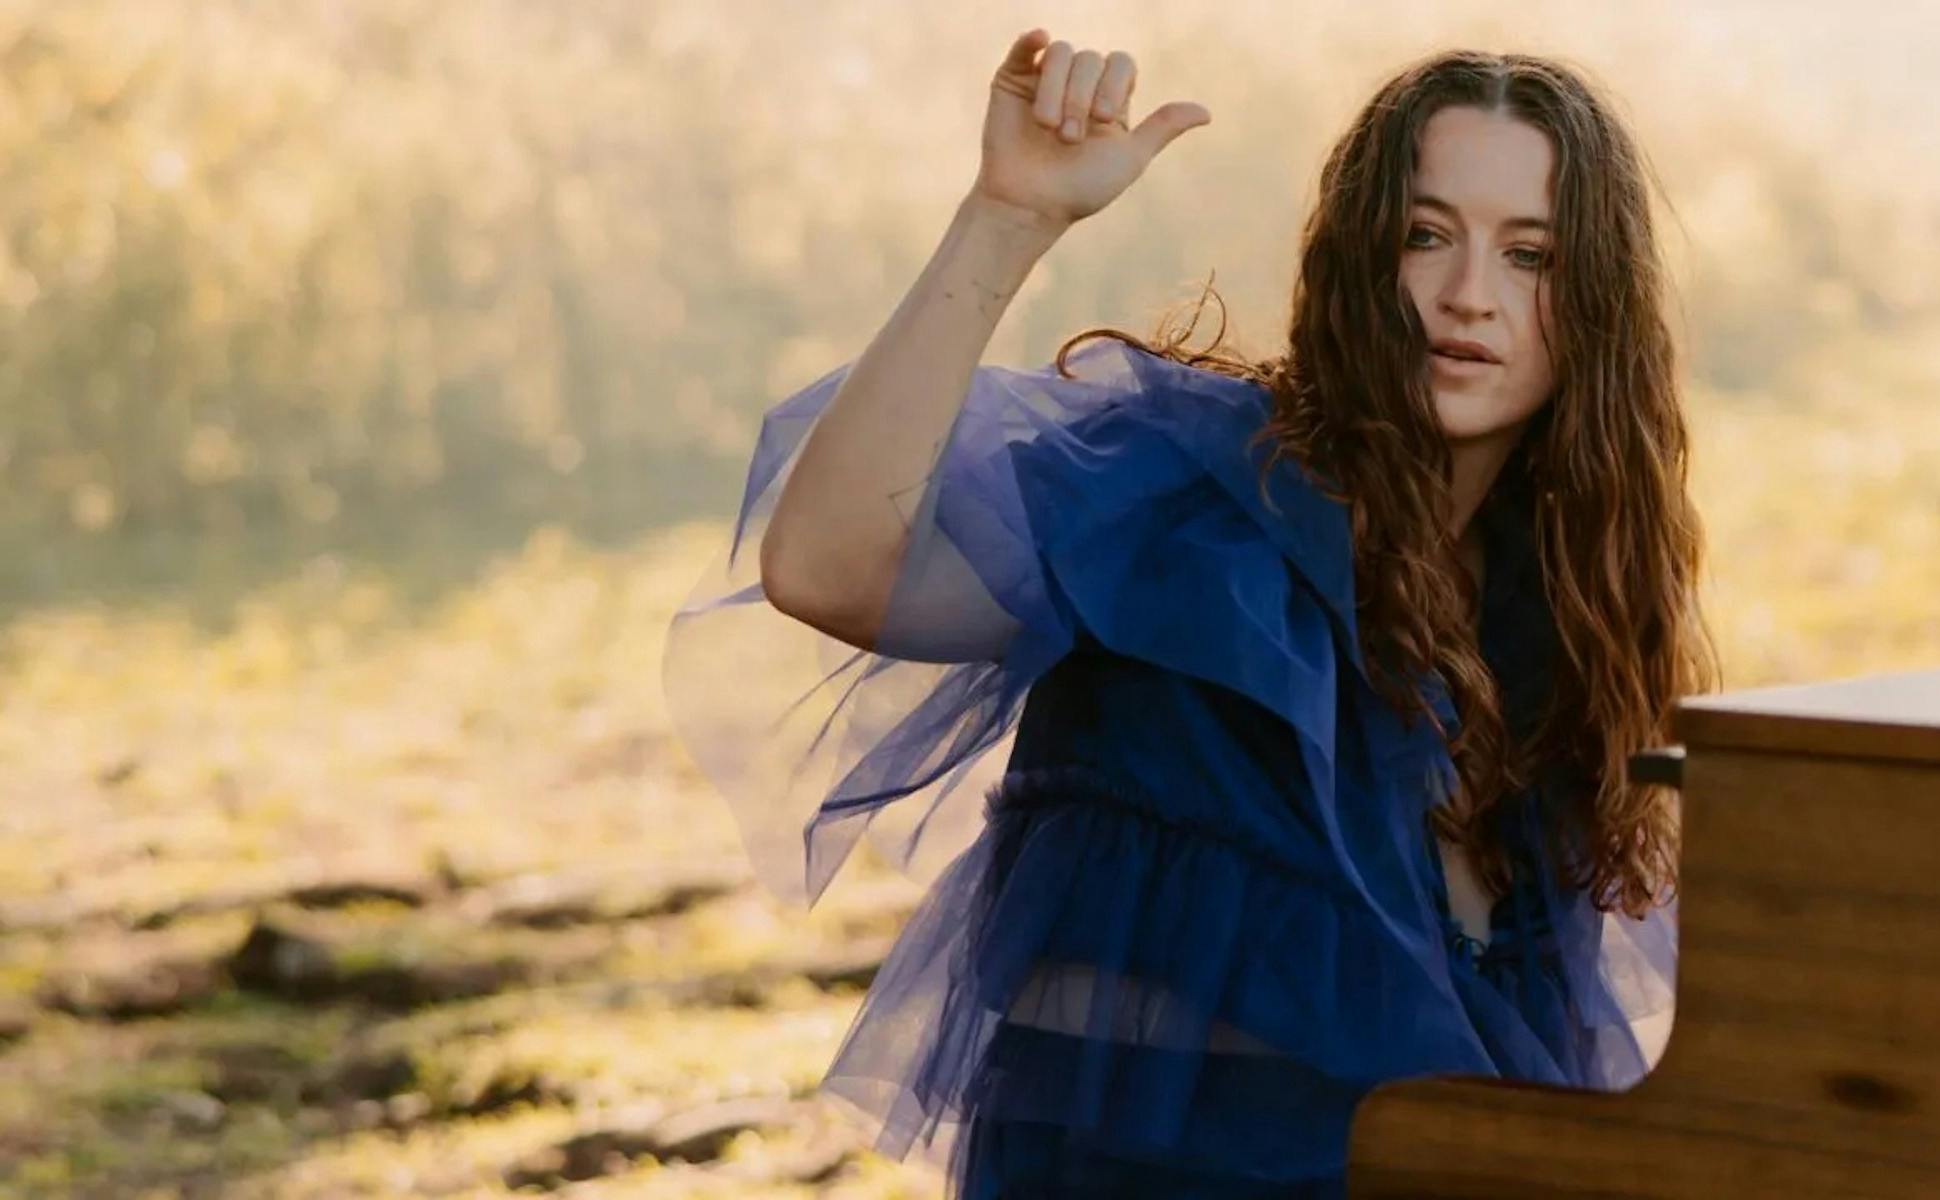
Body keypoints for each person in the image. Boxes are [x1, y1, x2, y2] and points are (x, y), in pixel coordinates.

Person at [663, 26, 1718, 1196]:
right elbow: (827, 569)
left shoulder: (1559, 613)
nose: (1469, 296)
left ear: (1597, 304)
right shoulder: (1194, 498)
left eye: (1529, 256)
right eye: (1425, 236)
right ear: (1360, 259)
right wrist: (1008, 216)